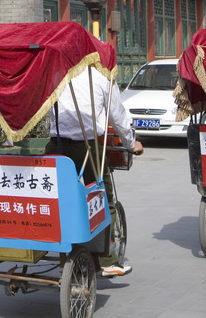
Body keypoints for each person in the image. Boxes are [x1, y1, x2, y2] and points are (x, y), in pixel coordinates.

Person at [46, 65, 143, 278]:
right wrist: (130, 143)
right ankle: (107, 261)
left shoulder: (55, 70)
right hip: (87, 147)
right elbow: (117, 115)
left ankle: (63, 244)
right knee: (102, 199)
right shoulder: (101, 75)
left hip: (56, 146)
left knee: (58, 200)